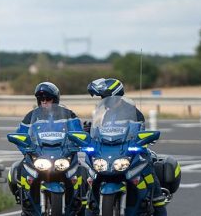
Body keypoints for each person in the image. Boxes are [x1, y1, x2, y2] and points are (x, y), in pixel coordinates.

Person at [86, 78, 167, 216]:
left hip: (128, 150)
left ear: (115, 96)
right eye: (102, 98)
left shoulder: (133, 112)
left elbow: (140, 131)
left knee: (147, 164)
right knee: (92, 175)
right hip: (110, 151)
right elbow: (98, 131)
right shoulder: (104, 114)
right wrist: (89, 130)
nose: (102, 100)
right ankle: (91, 203)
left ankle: (157, 198)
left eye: (104, 97)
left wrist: (143, 138)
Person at [9, 82, 84, 215]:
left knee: (84, 171)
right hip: (39, 154)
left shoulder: (69, 115)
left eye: (47, 99)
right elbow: (21, 134)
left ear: (55, 99)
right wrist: (26, 149)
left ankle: (80, 202)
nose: (44, 102)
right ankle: (24, 200)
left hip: (63, 154)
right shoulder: (30, 116)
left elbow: (78, 132)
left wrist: (76, 144)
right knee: (16, 170)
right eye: (41, 99)